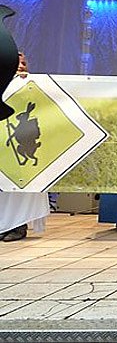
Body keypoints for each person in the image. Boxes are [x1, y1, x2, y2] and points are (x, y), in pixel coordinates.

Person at [0, 52, 50, 242]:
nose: (21, 66)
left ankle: (17, 226)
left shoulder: (33, 86)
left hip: (21, 145)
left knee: (18, 188)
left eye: (24, 63)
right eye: (16, 63)